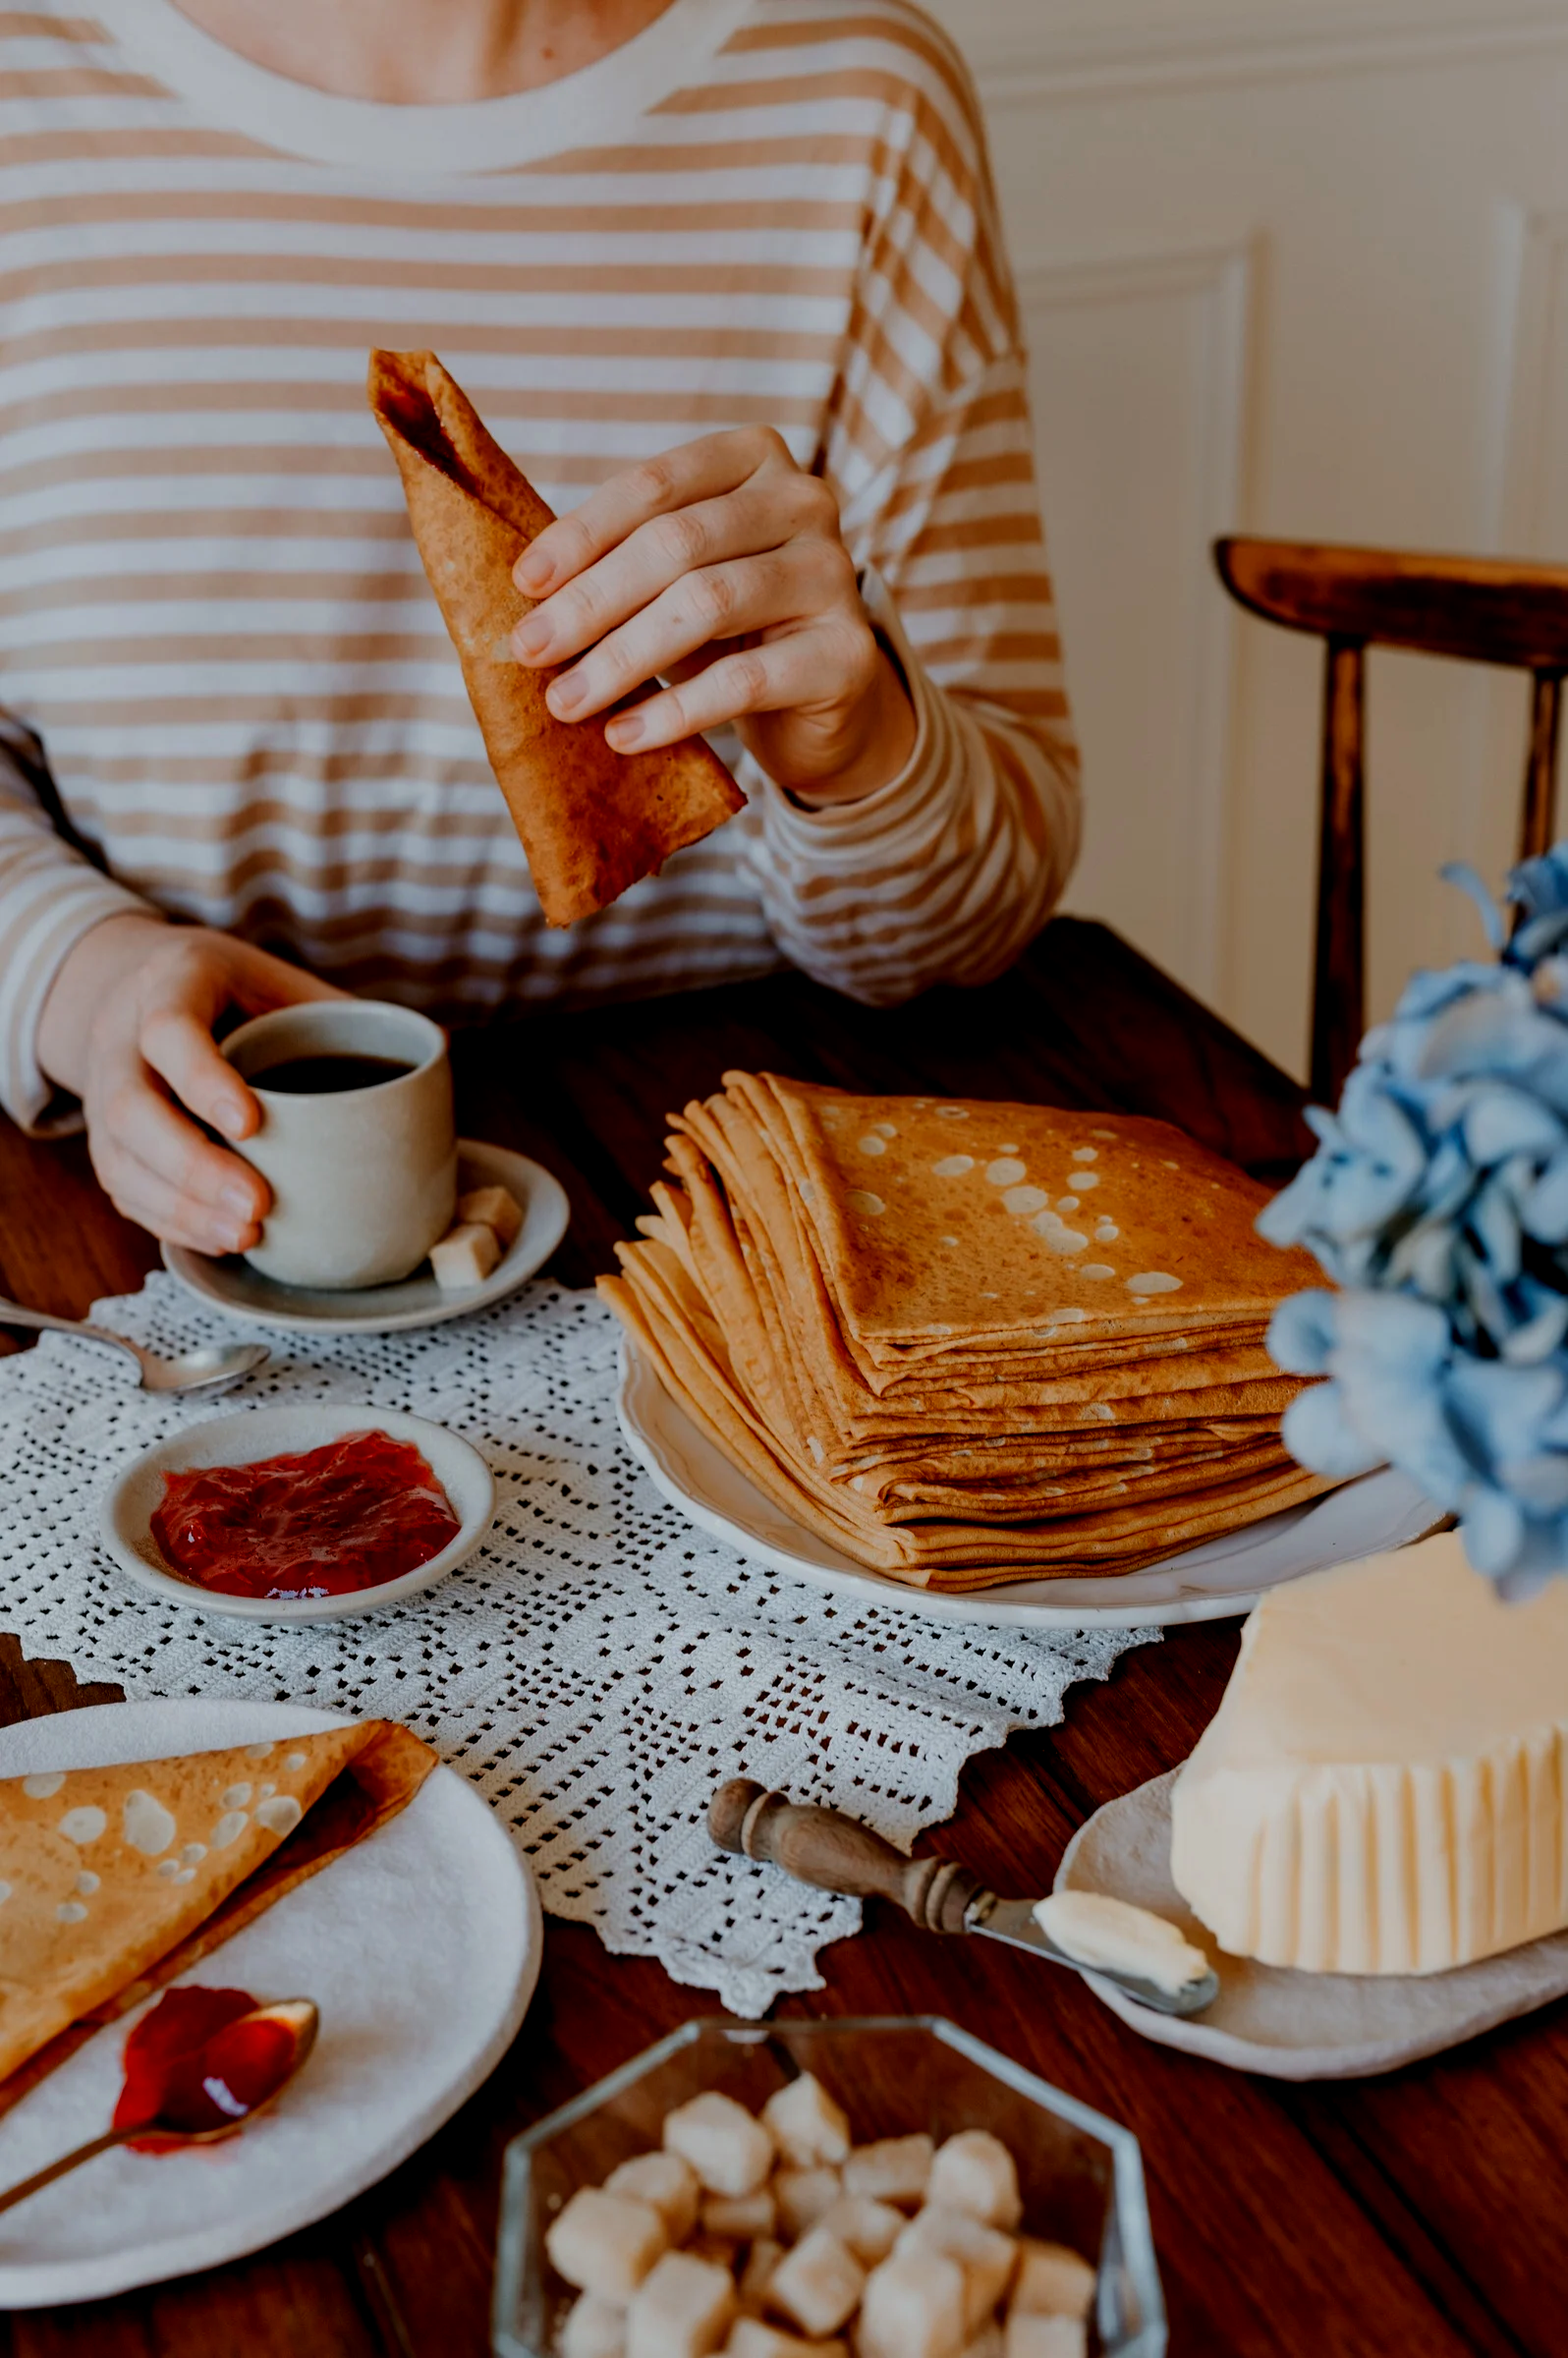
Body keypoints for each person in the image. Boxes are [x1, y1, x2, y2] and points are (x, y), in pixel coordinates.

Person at [3, 0, 1080, 1259]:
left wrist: (862, 754)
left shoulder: (854, 92)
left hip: (742, 1223)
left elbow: (980, 923)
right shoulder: (26, 94)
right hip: (170, 1219)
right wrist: (85, 981)